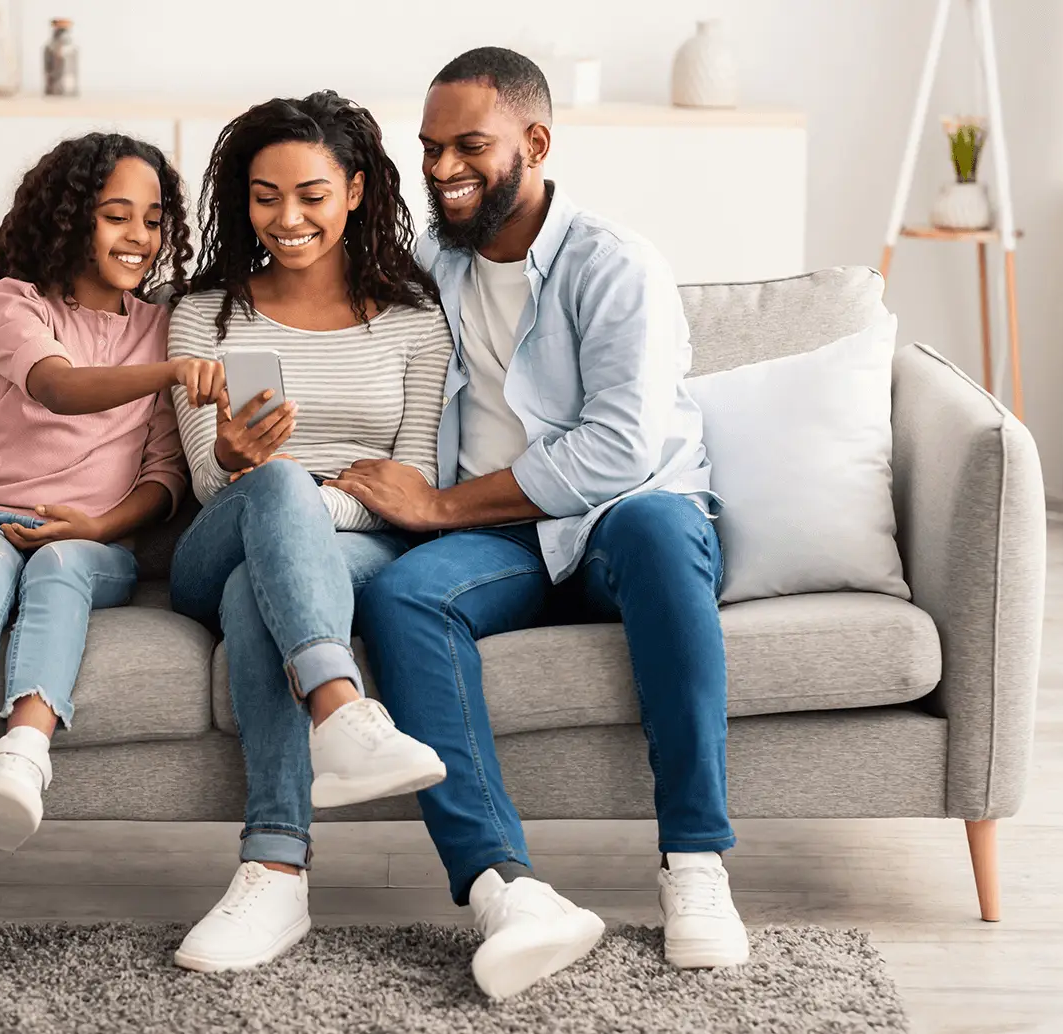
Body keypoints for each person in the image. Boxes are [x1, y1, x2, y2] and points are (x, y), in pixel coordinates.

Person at [328, 48, 751, 999]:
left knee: (651, 527)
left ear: (536, 142)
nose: (442, 171)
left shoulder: (614, 265)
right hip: (503, 541)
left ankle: (696, 863)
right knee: (403, 594)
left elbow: (618, 452)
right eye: (430, 149)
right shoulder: (430, 266)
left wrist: (436, 504)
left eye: (469, 147)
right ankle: (502, 885)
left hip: (619, 524)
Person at [165, 91, 455, 972]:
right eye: (263, 196)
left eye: (312, 196)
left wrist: (310, 501)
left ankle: (276, 871)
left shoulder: (416, 319)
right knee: (272, 493)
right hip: (217, 542)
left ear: (357, 191)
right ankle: (340, 708)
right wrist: (245, 464)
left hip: (357, 545)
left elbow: (412, 486)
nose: (285, 219)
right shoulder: (204, 316)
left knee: (269, 589)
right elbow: (218, 488)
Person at [0, 133, 222, 861]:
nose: (140, 236)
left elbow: (165, 479)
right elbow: (57, 385)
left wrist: (100, 524)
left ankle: (23, 757)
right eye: (116, 215)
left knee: (61, 567)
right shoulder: (15, 304)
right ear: (71, 219)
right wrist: (167, 373)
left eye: (154, 218)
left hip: (91, 537)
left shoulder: (161, 328)